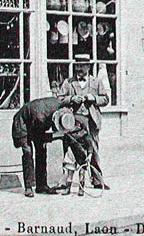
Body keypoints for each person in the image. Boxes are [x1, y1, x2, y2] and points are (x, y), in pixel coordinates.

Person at [54, 53, 109, 189]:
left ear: (88, 67)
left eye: (82, 66)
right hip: (73, 121)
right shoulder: (69, 82)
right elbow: (59, 99)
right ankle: (65, 182)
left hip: (91, 122)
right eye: (77, 66)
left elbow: (106, 99)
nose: (79, 69)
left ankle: (97, 180)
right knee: (70, 150)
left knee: (93, 150)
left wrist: (94, 98)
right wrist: (71, 99)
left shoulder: (96, 82)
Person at [11, 96, 72, 197]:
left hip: (34, 122)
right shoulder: (41, 117)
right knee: (28, 152)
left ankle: (41, 185)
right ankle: (28, 187)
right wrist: (56, 136)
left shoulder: (61, 106)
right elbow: (41, 135)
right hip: (21, 124)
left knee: (42, 151)